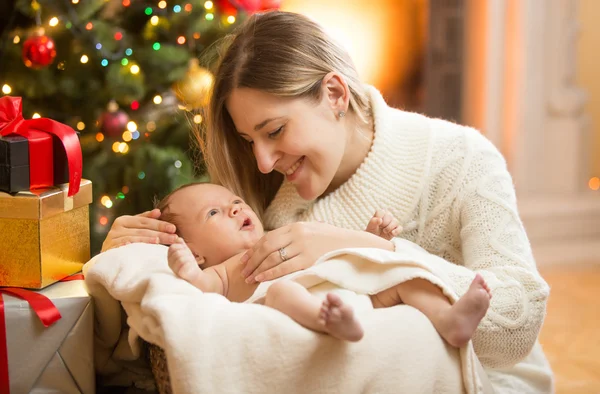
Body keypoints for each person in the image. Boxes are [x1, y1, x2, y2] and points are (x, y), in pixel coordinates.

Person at [102, 10, 553, 392]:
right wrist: (132, 251)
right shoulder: (262, 195)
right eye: (248, 140)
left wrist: (375, 251)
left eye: (275, 131)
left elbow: (519, 320)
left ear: (334, 94)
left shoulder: (461, 159)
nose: (261, 162)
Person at [159, 182, 492, 344]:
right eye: (213, 213)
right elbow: (202, 288)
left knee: (403, 276)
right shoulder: (224, 269)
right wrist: (187, 269)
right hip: (303, 304)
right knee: (280, 292)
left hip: (349, 289)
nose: (234, 208)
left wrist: (369, 238)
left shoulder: (279, 236)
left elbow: (332, 255)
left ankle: (449, 320)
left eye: (234, 201)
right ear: (195, 250)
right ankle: (327, 321)